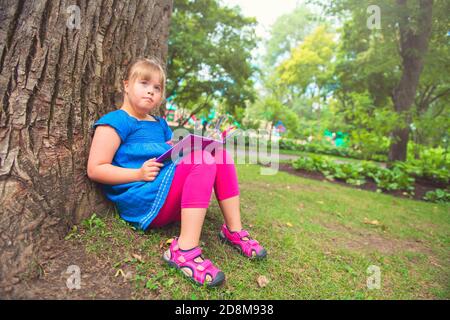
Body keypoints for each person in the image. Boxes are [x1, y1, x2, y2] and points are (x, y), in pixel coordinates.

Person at [87, 58, 267, 287]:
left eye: (157, 88)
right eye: (144, 83)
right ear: (126, 85)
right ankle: (184, 250)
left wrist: (180, 149)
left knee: (219, 154)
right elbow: (95, 168)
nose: (151, 91)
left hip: (166, 191)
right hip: (143, 197)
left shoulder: (160, 124)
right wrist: (138, 174)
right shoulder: (116, 122)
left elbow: (166, 154)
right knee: (201, 160)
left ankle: (234, 230)